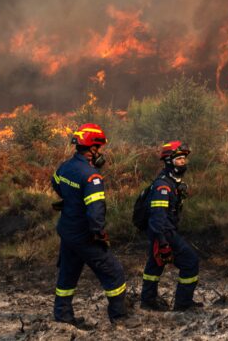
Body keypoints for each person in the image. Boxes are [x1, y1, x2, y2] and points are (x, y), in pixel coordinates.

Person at [51, 124, 134, 327]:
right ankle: (119, 318)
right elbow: (95, 211)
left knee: (68, 274)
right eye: (100, 148)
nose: (101, 153)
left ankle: (62, 315)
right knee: (114, 272)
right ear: (93, 149)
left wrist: (71, 201)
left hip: (67, 232)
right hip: (85, 235)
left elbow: (56, 184)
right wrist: (99, 233)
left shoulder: (65, 166)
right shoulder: (92, 177)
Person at [140, 140, 201, 312]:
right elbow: (157, 217)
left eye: (184, 159)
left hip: (160, 232)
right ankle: (183, 304)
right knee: (190, 262)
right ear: (169, 162)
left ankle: (148, 301)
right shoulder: (163, 187)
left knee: (154, 265)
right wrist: (163, 243)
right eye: (178, 159)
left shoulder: (171, 182)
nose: (183, 162)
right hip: (164, 232)